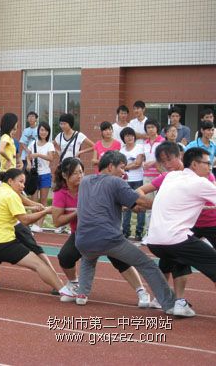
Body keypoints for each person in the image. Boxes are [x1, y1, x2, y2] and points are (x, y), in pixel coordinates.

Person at [72, 151, 175, 313]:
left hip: (82, 240)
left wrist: (137, 206)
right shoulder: (116, 182)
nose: (123, 172)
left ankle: (82, 294)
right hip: (108, 239)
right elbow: (139, 201)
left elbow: (134, 206)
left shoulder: (85, 181)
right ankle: (169, 304)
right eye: (121, 168)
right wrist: (164, 205)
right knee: (147, 265)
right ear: (111, 166)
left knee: (88, 258)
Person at [52, 157, 151, 307]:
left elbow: (128, 203)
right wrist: (80, 211)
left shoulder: (92, 185)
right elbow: (57, 221)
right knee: (65, 256)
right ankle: (74, 284)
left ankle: (141, 291)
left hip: (106, 231)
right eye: (75, 173)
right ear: (65, 176)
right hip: (82, 234)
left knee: (121, 260)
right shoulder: (60, 193)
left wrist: (136, 205)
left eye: (81, 172)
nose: (80, 176)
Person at [0, 168, 77, 300]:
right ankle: (64, 291)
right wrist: (45, 211)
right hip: (3, 245)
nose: (23, 186)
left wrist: (34, 204)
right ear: (10, 181)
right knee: (38, 264)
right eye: (21, 182)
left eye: (24, 182)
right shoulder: (11, 196)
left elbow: (20, 197)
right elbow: (25, 220)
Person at [0, 153, 57, 290]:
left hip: (14, 223)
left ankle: (55, 278)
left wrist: (35, 205)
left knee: (36, 250)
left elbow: (18, 195)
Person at [137, 142, 211, 310]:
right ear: (194, 164)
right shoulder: (197, 181)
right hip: (175, 238)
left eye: (169, 159)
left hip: (155, 241)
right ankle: (169, 300)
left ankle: (176, 301)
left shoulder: (171, 177)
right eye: (207, 163)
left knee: (178, 258)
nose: (210, 167)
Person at [26, 122, 55, 231]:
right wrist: (28, 163)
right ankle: (34, 223)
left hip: (45, 174)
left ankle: (40, 225)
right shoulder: (33, 143)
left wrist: (38, 155)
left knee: (43, 201)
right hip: (34, 175)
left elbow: (51, 158)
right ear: (38, 131)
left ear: (48, 132)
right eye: (42, 130)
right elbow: (28, 157)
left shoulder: (49, 145)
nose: (43, 132)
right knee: (34, 200)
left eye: (46, 130)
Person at [119, 127, 145, 239]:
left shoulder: (140, 147)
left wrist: (125, 167)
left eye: (131, 135)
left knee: (140, 205)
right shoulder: (121, 151)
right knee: (126, 206)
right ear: (123, 138)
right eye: (126, 136)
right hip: (125, 181)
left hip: (138, 180)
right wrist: (129, 166)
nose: (129, 137)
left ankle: (139, 232)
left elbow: (138, 163)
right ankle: (126, 231)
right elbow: (120, 166)